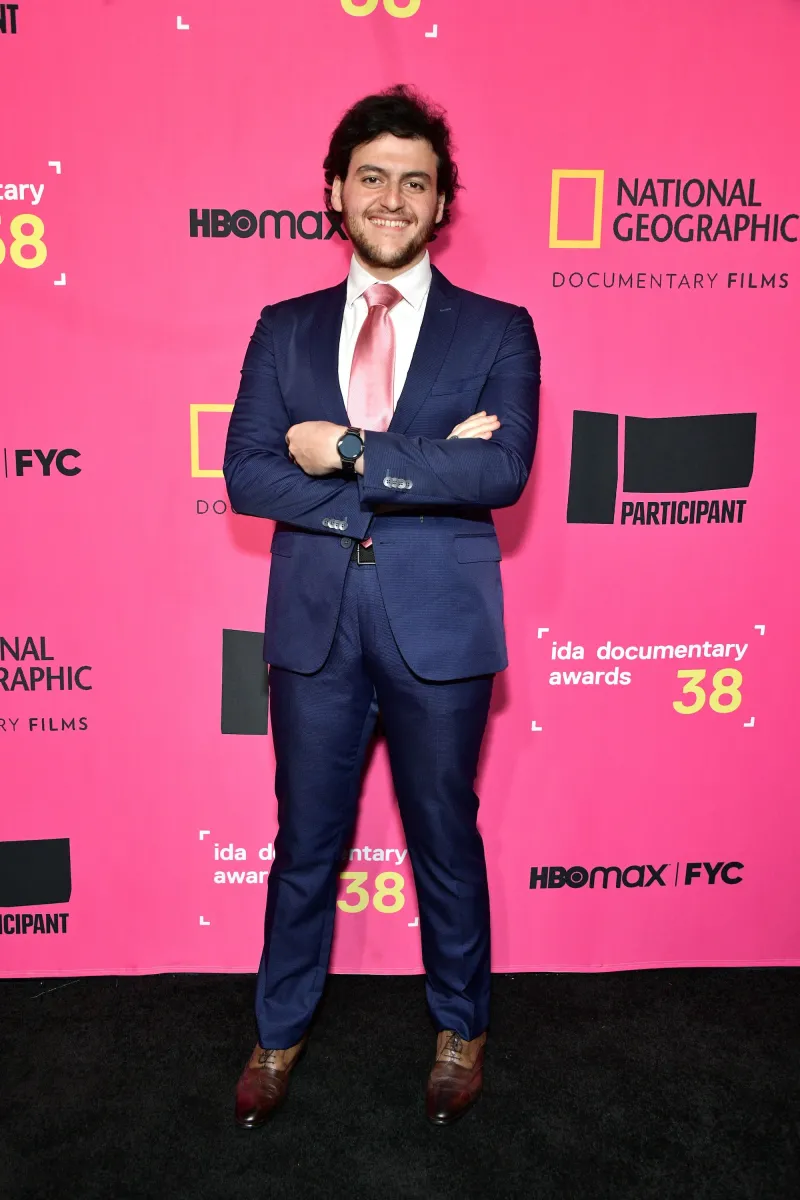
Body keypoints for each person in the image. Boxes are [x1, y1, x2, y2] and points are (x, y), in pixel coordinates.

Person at [223, 83, 540, 1128]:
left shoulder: (500, 329)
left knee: (443, 833)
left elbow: (497, 475)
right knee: (305, 840)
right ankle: (276, 1035)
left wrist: (351, 449)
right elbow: (251, 478)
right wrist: (421, 465)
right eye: (372, 178)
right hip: (315, 627)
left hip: (438, 626)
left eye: (414, 181)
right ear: (334, 191)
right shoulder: (283, 330)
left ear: (442, 200)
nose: (392, 198)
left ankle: (461, 1025)